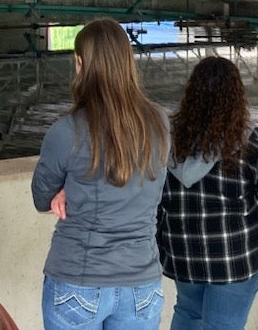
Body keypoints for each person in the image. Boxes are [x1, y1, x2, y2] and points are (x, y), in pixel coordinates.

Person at [31, 18, 170, 330]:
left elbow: (41, 198)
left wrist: (70, 187)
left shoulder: (66, 131)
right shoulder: (160, 123)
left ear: (80, 63)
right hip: (142, 285)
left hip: (78, 280)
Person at [157, 56, 258, 330]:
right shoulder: (253, 143)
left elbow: (156, 200)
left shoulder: (167, 140)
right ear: (237, 97)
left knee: (187, 313)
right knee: (224, 324)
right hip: (236, 258)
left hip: (182, 253)